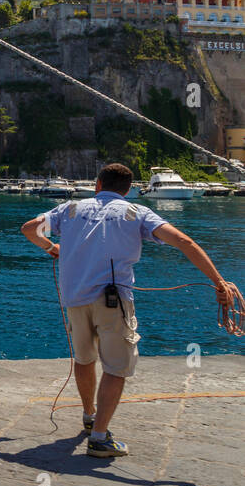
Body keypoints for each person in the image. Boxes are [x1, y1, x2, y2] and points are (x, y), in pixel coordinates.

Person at [20, 162, 241, 459]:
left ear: (98, 184)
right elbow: (183, 242)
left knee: (84, 359)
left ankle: (89, 415)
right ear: (127, 190)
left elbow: (30, 229)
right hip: (113, 303)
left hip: (74, 300)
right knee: (116, 368)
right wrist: (218, 282)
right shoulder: (136, 213)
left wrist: (51, 248)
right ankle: (99, 438)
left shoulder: (69, 209)